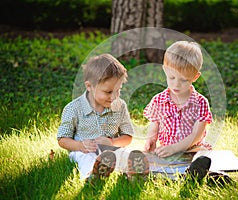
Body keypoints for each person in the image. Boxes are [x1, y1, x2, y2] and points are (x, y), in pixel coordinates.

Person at [57, 53, 149, 182]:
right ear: (89, 86)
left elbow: (127, 136)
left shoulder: (120, 106)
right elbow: (62, 139)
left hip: (111, 150)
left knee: (123, 154)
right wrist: (80, 145)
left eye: (118, 90)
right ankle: (92, 175)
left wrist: (112, 143)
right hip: (83, 151)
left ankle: (134, 173)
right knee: (86, 158)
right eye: (108, 92)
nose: (114, 97)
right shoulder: (73, 108)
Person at [143, 41, 212, 181]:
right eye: (172, 78)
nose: (176, 84)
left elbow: (196, 136)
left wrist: (176, 148)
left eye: (184, 80)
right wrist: (151, 139)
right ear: (165, 70)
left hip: (192, 149)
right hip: (168, 150)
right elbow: (154, 124)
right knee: (147, 159)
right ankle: (170, 175)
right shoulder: (159, 100)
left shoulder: (200, 103)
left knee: (204, 155)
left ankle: (199, 173)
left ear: (195, 77)